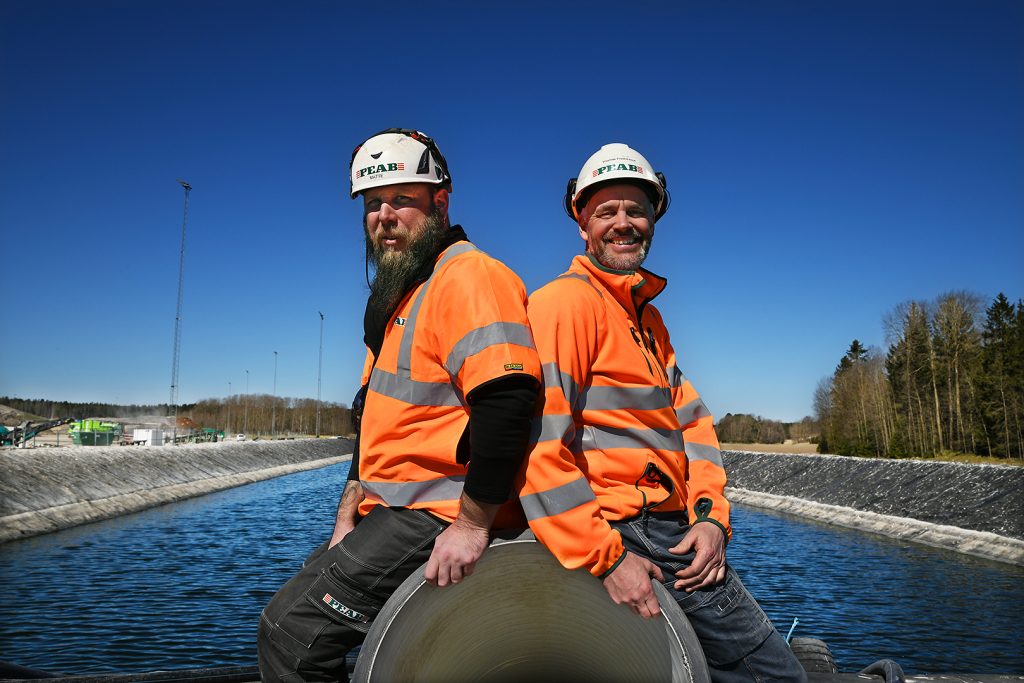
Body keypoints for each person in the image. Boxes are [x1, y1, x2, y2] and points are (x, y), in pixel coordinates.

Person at [258, 128, 541, 681]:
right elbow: (373, 424)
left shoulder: (467, 276)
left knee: (292, 633)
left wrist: (472, 525)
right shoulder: (401, 299)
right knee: (295, 618)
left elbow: (507, 401)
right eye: (372, 204)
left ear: (440, 202)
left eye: (402, 200)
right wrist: (349, 513)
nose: (384, 215)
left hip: (437, 514)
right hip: (390, 512)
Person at [518, 143, 807, 682]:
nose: (623, 223)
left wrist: (711, 517)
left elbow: (693, 424)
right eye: (607, 211)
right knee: (777, 676)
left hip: (673, 525)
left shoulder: (649, 322)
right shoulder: (565, 304)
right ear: (582, 221)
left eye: (636, 210)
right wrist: (606, 557)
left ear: (654, 218)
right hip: (627, 526)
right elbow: (538, 447)